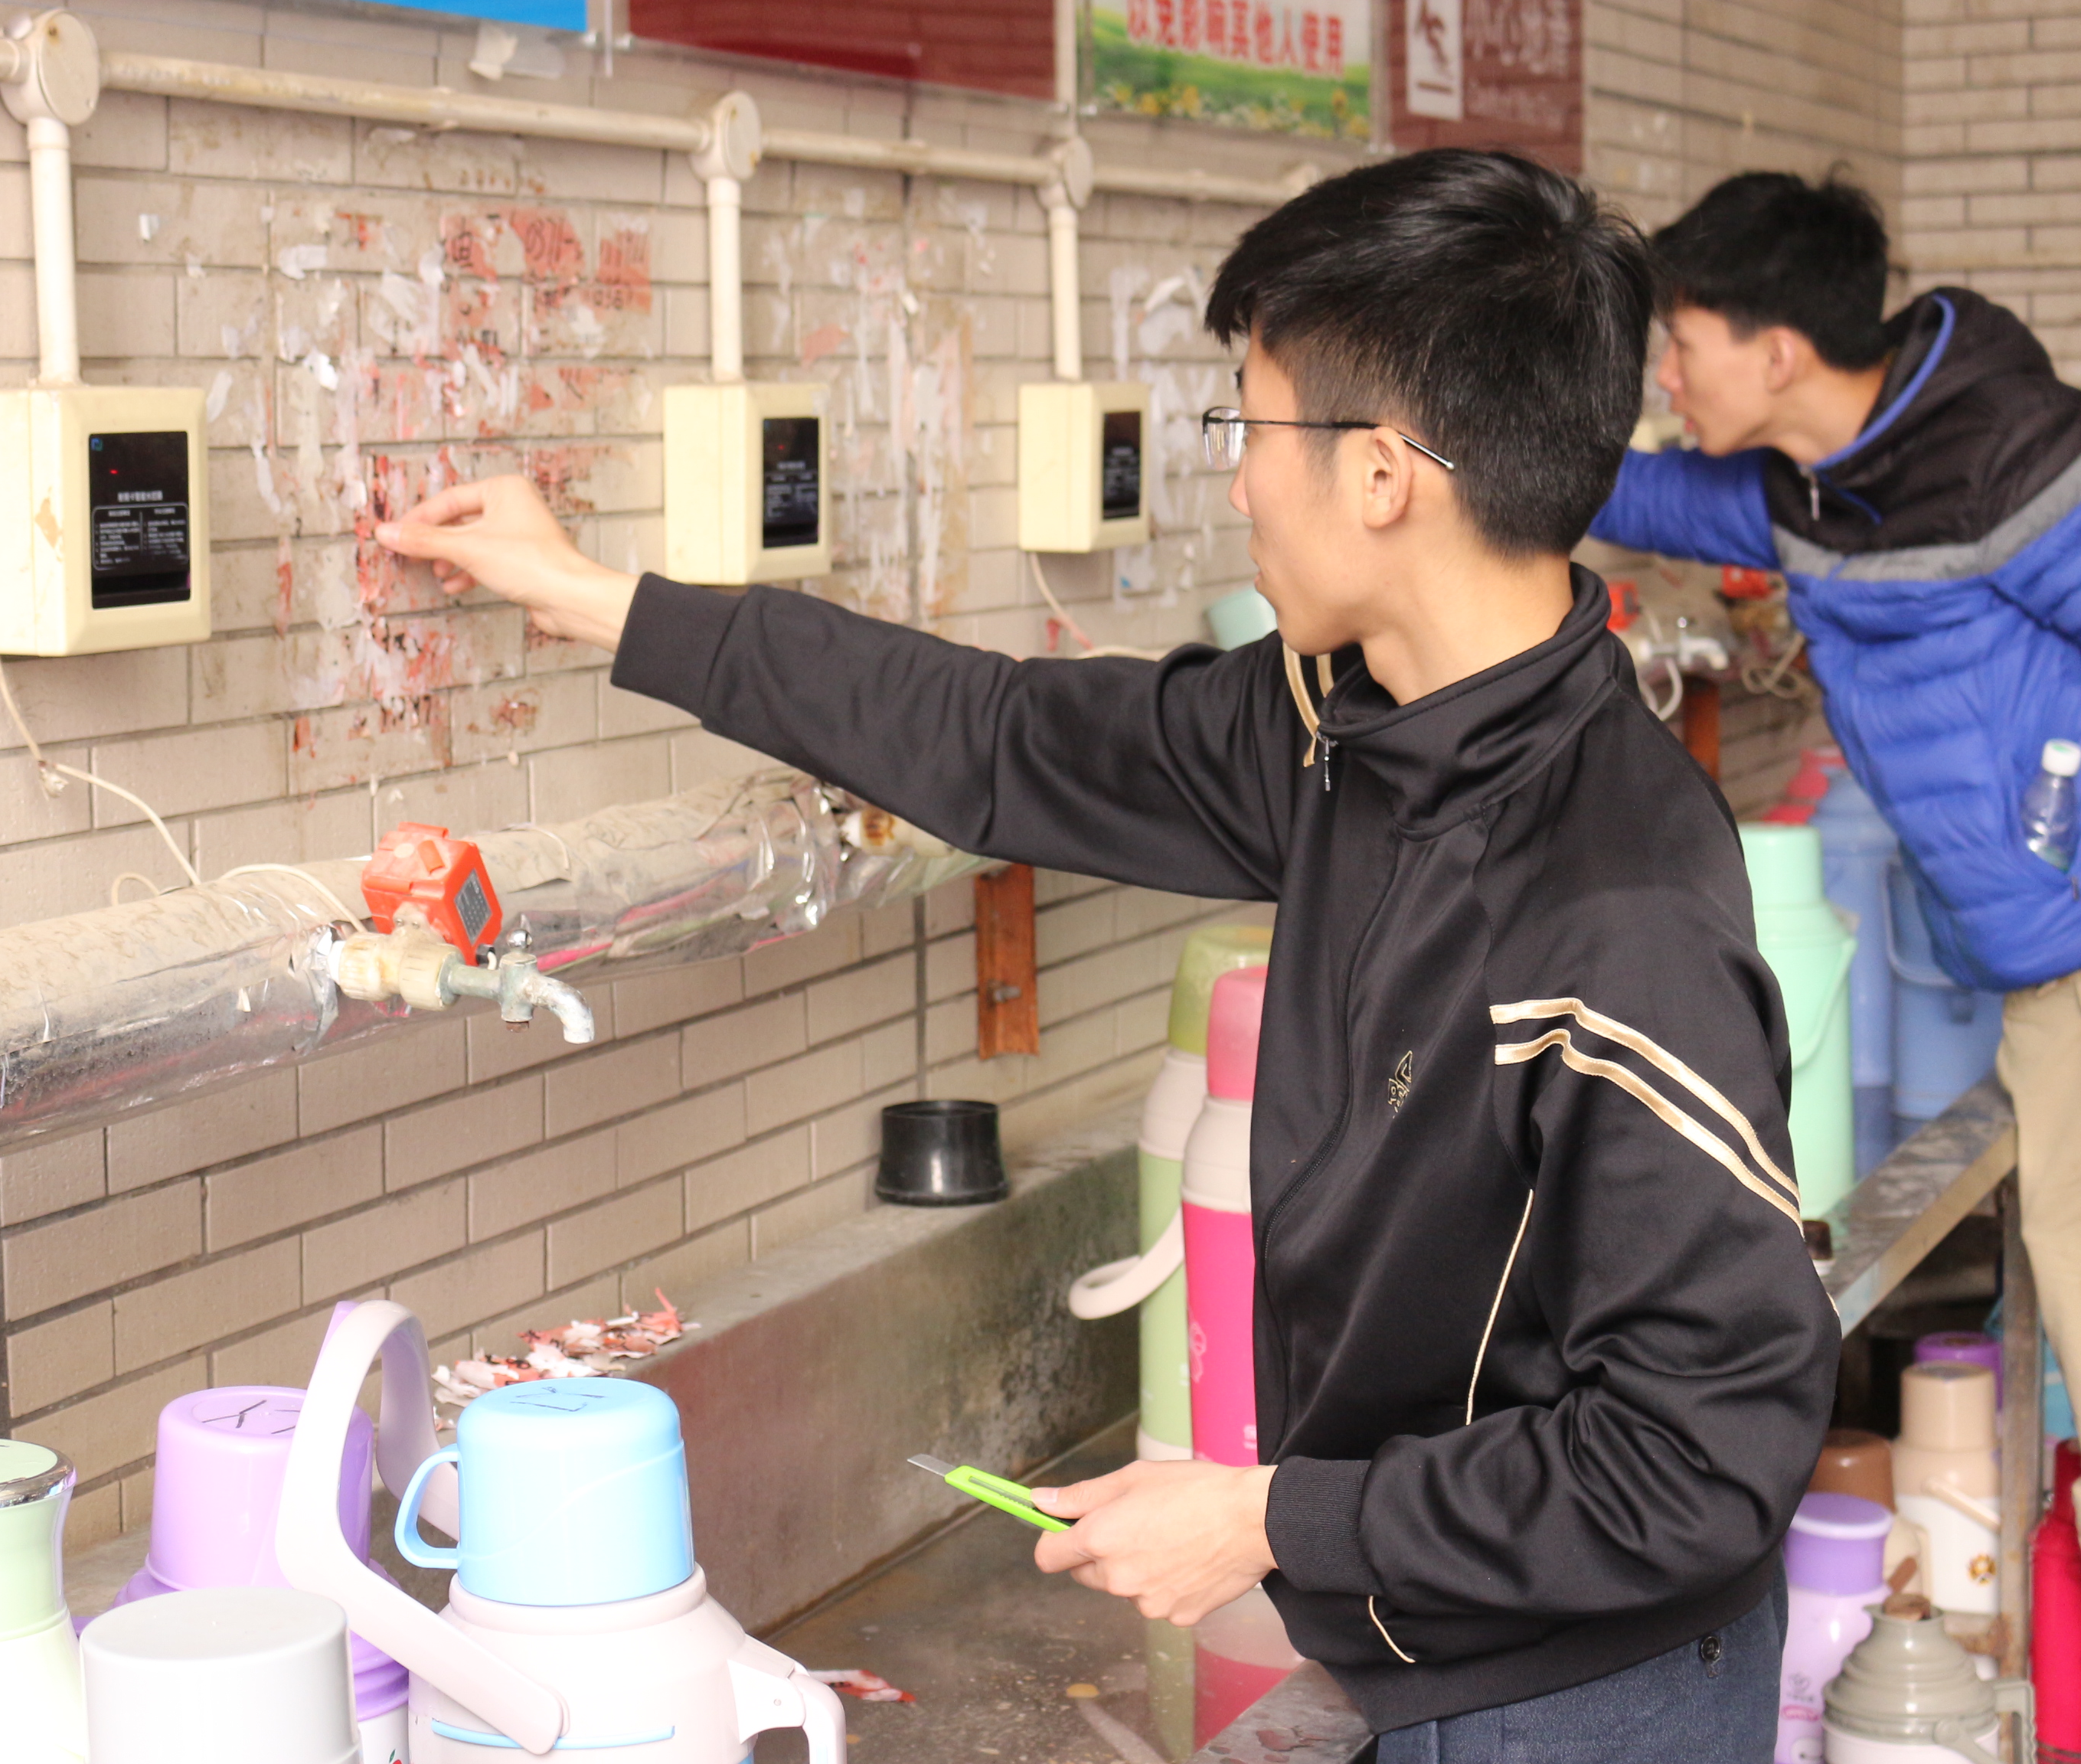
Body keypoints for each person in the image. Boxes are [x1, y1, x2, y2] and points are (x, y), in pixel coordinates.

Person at [381, 149, 1839, 1762]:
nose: (1237, 486)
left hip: (1585, 1704)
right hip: (1436, 1647)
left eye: (1250, 427)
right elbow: (1002, 738)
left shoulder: (1613, 906)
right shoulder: (1349, 731)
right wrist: (604, 601)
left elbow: (1698, 1459)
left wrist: (1274, 1518)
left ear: (1381, 475)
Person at [1591, 172, 2081, 1375]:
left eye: (1682, 344)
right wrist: (1451, 434)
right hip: (2038, 960)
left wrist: (2058, 810)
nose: (1667, 377)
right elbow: (1631, 492)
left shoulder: (2012, 463)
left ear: (1778, 354)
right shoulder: (1804, 491)